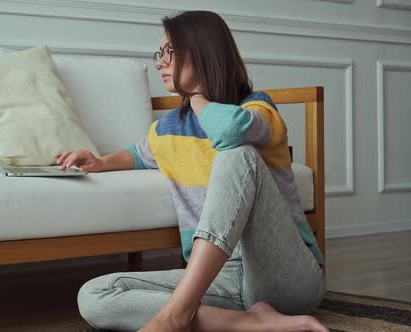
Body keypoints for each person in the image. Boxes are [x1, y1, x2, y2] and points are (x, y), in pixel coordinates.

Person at [55, 10, 328, 332]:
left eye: (169, 52)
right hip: (217, 280)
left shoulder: (257, 109)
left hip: (286, 276)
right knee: (96, 294)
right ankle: (247, 323)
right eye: (159, 54)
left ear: (201, 53)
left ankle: (175, 316)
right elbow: (139, 154)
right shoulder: (169, 128)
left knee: (236, 155)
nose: (159, 62)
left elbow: (230, 133)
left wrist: (197, 95)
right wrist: (99, 161)